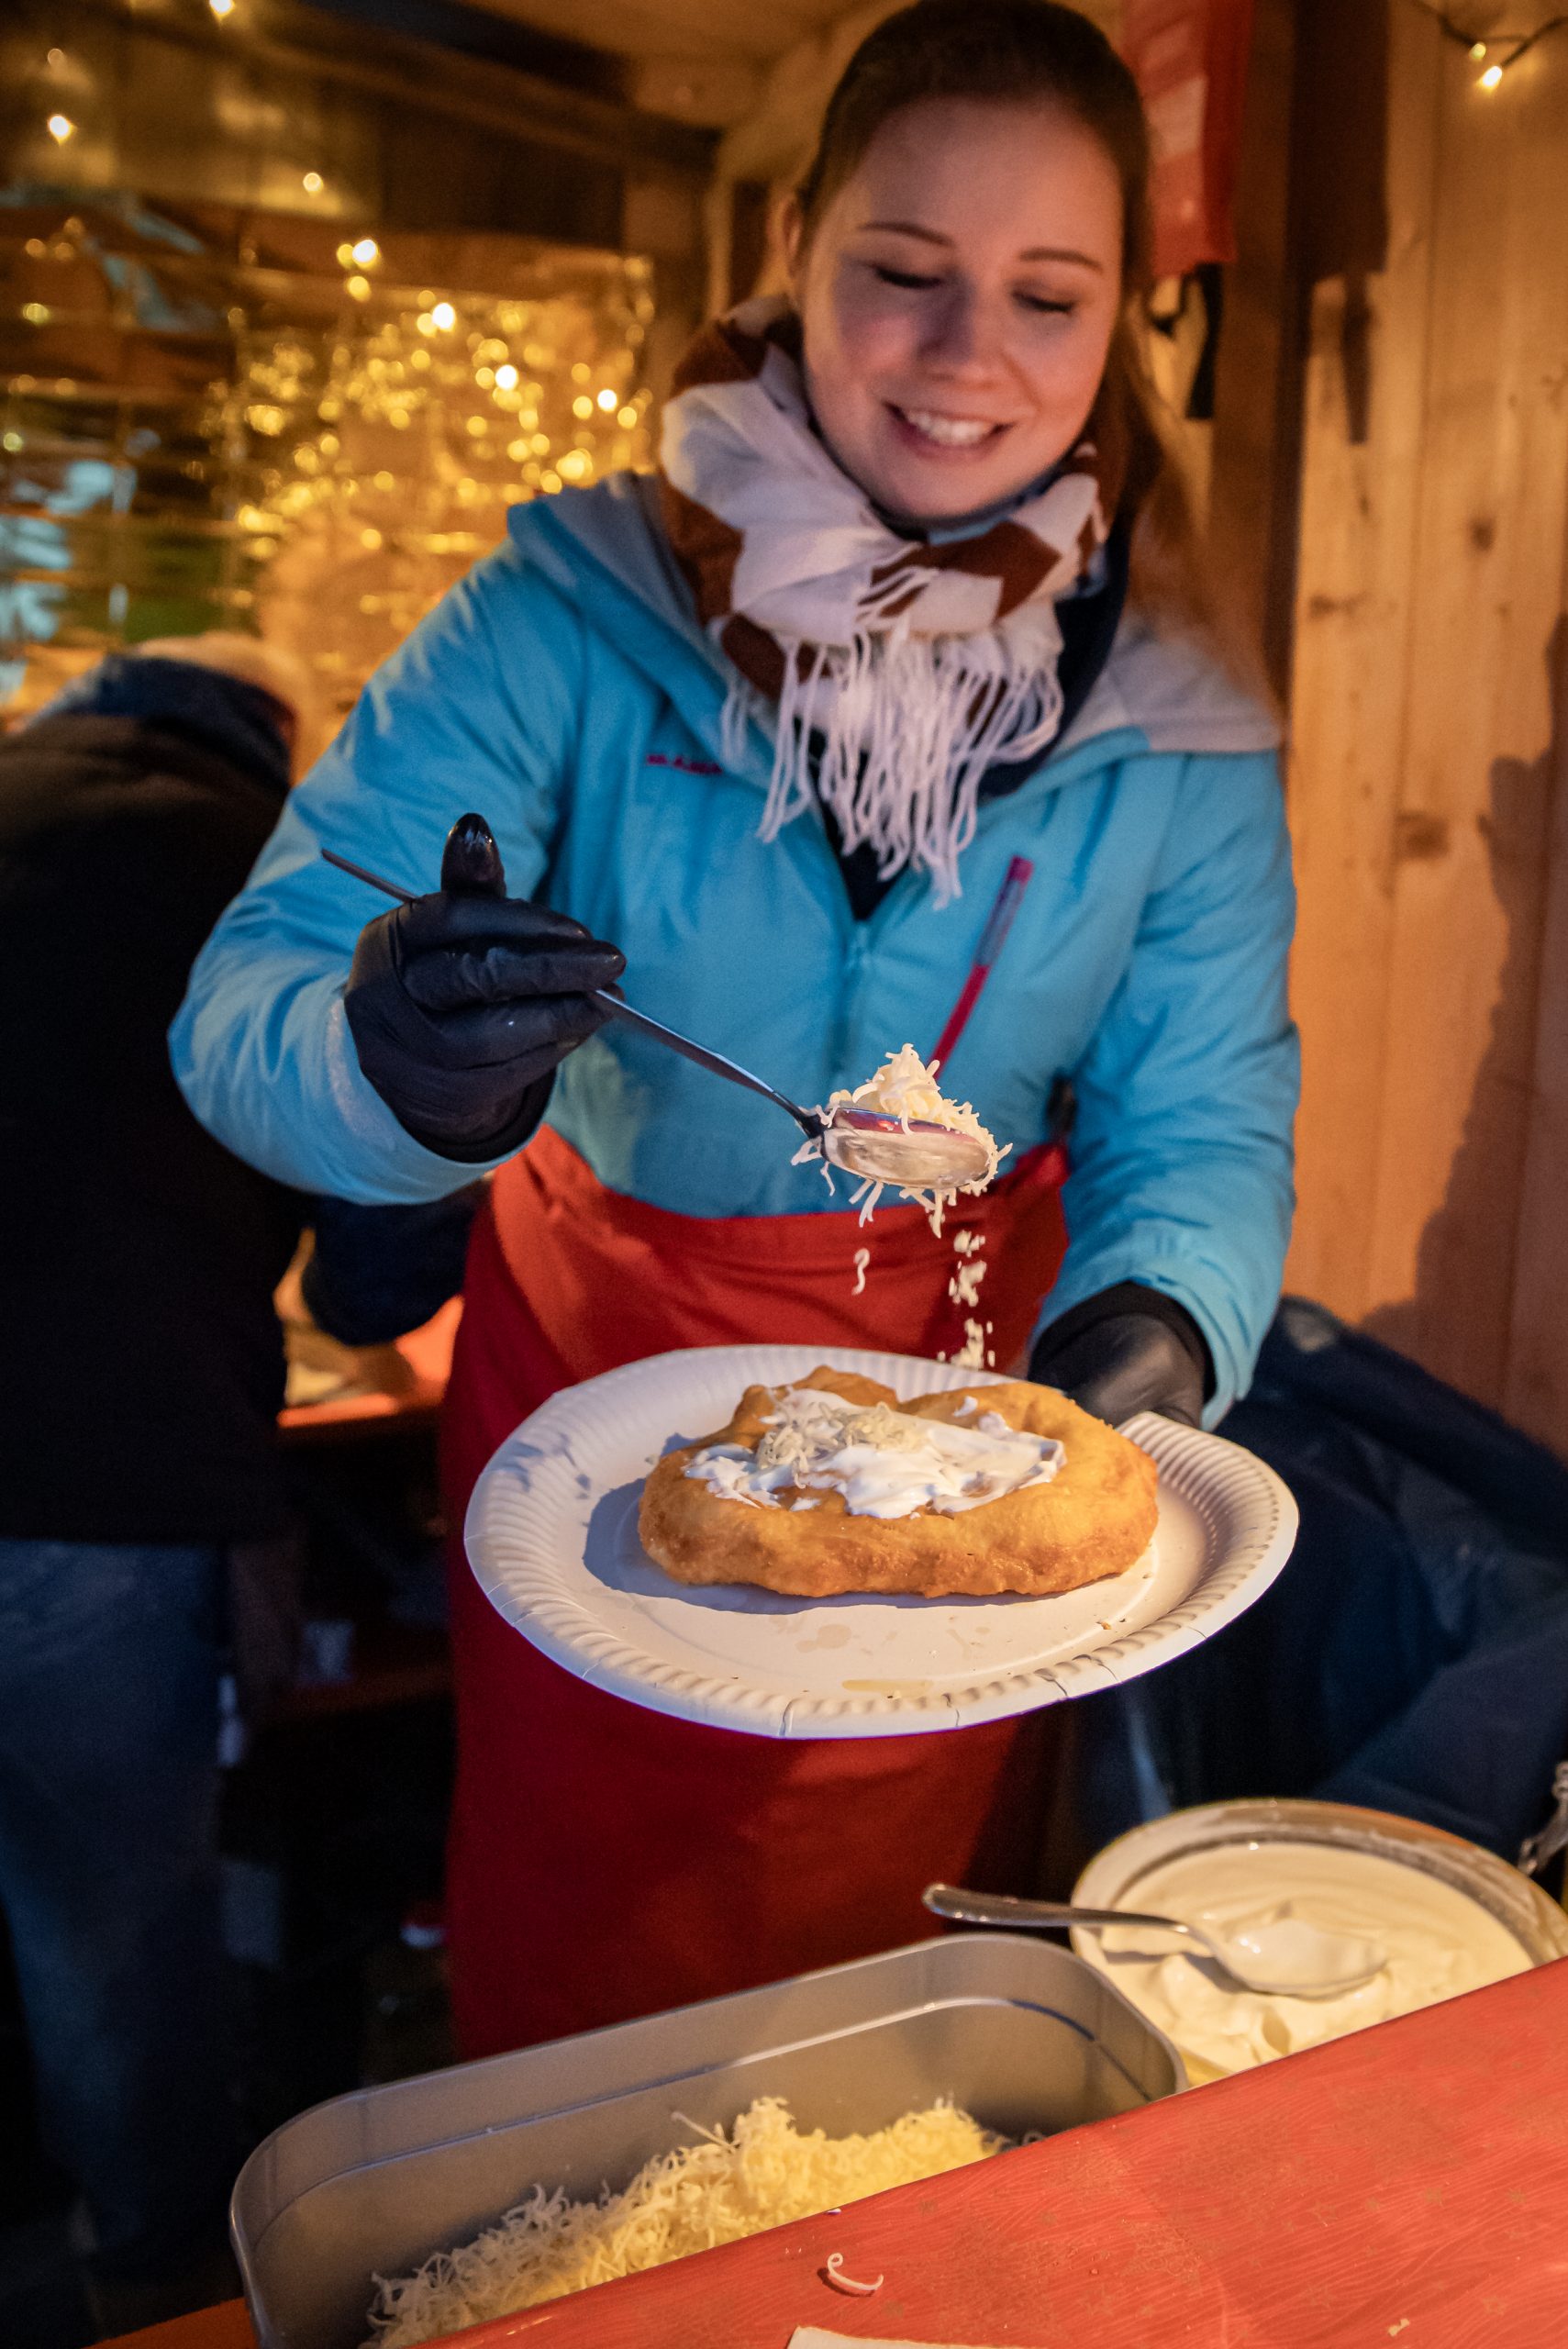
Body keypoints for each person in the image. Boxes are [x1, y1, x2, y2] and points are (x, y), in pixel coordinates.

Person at [173, 0, 1298, 2060]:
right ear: (795, 243)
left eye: (1047, 295)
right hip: (593, 1408)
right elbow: (249, 996)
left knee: (869, 2009)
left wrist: (1157, 1316)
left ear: (1122, 317)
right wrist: (395, 1063)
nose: (966, 355)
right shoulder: (565, 611)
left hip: (969, 1407)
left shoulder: (1181, 717)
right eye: (903, 269)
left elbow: (1204, 1113)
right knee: (582, 1962)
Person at [0, 633, 314, 2332]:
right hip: (104, 1482)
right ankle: (158, 2281)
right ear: (279, 737)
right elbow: (384, 1266)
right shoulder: (276, 881)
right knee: (109, 1923)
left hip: (85, 1460)